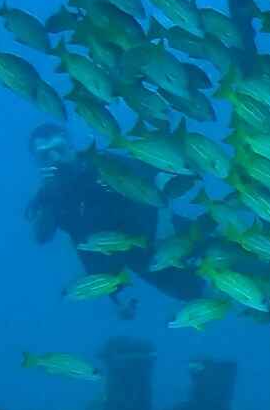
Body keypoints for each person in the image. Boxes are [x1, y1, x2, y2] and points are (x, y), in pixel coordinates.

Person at [24, 124, 203, 312]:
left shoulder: (104, 165)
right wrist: (50, 197)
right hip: (114, 262)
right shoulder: (48, 197)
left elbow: (157, 175)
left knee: (206, 279)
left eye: (59, 149)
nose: (55, 158)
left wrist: (165, 224)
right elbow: (42, 237)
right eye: (44, 155)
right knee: (192, 294)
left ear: (70, 146)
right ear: (38, 162)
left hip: (158, 240)